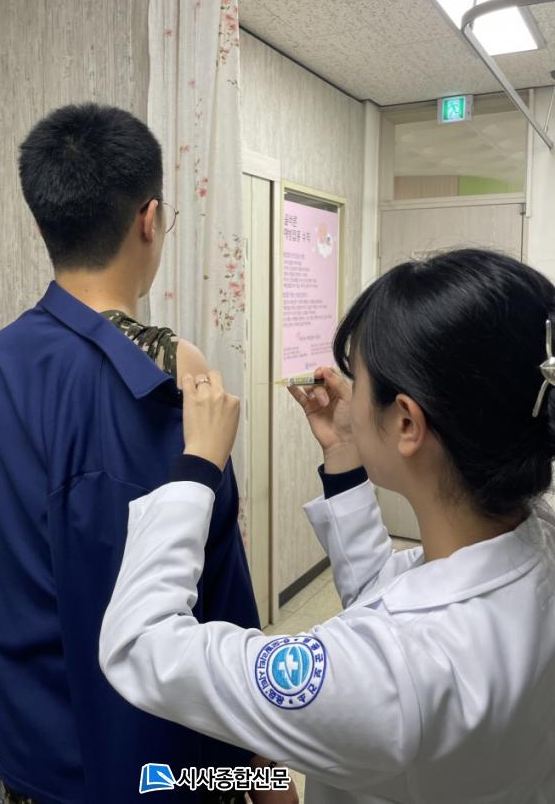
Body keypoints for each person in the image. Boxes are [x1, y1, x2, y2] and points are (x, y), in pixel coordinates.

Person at [100, 248, 555, 804]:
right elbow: (390, 603)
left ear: (406, 422)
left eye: (358, 380)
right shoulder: (536, 541)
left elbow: (140, 646)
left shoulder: (392, 675)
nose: (349, 394)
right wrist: (344, 451)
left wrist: (196, 468)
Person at [0, 103, 295, 804]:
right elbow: (214, 591)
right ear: (149, 219)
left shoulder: (0, 360)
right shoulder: (171, 374)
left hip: (33, 755)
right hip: (155, 766)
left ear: (43, 224)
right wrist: (266, 776)